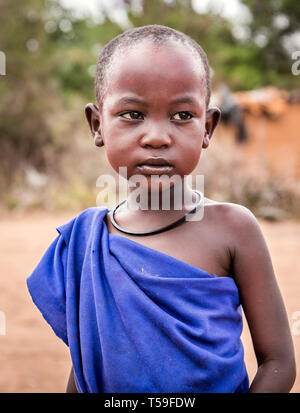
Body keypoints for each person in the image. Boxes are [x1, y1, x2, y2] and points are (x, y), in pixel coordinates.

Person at [27, 25, 296, 393]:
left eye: (183, 115)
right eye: (133, 114)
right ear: (97, 125)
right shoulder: (85, 242)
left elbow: (279, 363)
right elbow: (88, 363)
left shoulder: (233, 229)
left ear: (208, 127)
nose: (157, 136)